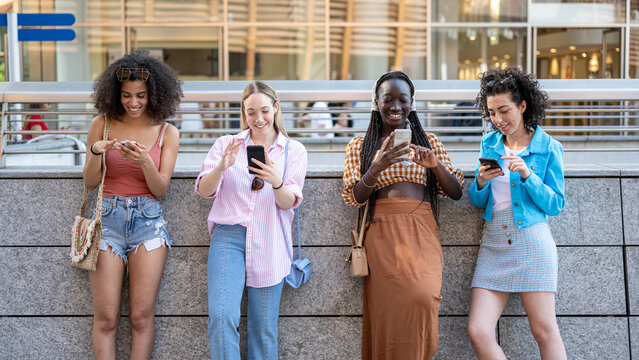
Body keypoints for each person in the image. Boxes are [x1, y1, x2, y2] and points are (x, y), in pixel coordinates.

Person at [341, 71, 464, 359]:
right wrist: (376, 167)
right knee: (388, 311)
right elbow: (354, 197)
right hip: (382, 233)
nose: (395, 106)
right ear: (376, 102)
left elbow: (456, 192)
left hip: (421, 229)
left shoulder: (428, 141)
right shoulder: (360, 146)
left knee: (425, 296)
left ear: (412, 103)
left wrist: (434, 165)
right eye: (388, 99)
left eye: (402, 99)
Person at [195, 81, 307, 360]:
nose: (258, 119)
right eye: (251, 112)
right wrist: (222, 166)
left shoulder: (293, 151)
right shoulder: (226, 144)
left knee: (264, 329)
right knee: (221, 318)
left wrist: (276, 180)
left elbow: (288, 202)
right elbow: (205, 190)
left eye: (265, 111)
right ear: (243, 113)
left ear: (276, 108)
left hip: (271, 240)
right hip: (229, 236)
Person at [83, 50, 182, 359]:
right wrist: (97, 151)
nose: (134, 102)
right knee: (107, 318)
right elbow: (90, 182)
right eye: (126, 95)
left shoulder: (168, 131)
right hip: (107, 221)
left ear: (154, 94)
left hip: (148, 225)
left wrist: (143, 162)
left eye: (140, 95)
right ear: (116, 93)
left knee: (141, 317)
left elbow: (160, 188)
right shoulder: (102, 124)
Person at [467, 67, 566, 359]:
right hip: (494, 244)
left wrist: (528, 176)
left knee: (544, 330)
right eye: (492, 112)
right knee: (478, 330)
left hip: (533, 243)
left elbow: (555, 204)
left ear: (523, 106)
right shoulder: (490, 144)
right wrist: (481, 182)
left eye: (504, 110)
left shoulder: (548, 147)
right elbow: (476, 198)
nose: (498, 120)